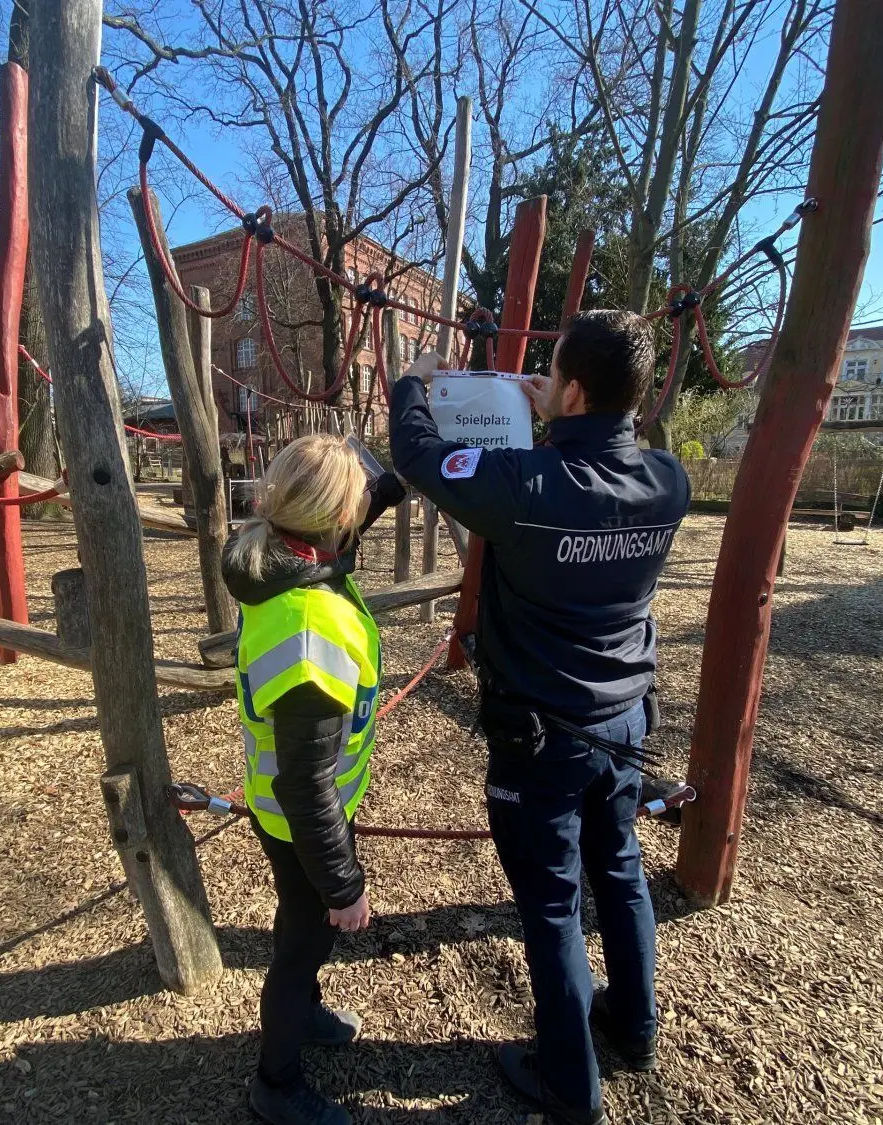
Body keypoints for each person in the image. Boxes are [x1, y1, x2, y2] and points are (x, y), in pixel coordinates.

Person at [389, 311, 691, 1125]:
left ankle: (570, 1082)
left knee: (554, 908)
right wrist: (560, 410)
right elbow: (602, 456)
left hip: (543, 741)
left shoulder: (527, 485)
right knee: (620, 874)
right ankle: (633, 1026)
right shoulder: (669, 480)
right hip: (623, 724)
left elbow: (418, 454)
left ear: (576, 388)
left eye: (551, 372)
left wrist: (411, 382)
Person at [223, 433, 407, 1125]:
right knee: (303, 940)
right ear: (333, 523)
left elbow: (371, 503)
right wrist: (345, 883)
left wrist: (405, 446)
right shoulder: (309, 628)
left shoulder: (286, 556)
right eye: (357, 505)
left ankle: (306, 1010)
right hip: (299, 812)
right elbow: (305, 784)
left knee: (308, 931)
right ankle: (277, 1080)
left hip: (305, 806)